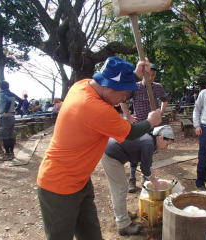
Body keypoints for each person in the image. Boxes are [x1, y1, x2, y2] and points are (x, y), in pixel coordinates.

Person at [36, 56, 162, 240]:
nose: (123, 100)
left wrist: (133, 75)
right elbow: (131, 133)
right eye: (124, 94)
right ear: (110, 86)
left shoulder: (83, 85)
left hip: (80, 180)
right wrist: (151, 121)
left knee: (91, 234)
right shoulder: (95, 108)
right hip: (58, 185)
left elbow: (113, 88)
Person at [101, 125, 175, 235]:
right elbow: (145, 169)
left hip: (112, 152)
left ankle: (121, 214)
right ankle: (123, 225)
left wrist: (151, 174)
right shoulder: (148, 143)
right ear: (160, 137)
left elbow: (146, 164)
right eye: (167, 143)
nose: (166, 147)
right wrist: (156, 183)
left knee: (120, 188)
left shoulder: (149, 141)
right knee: (120, 189)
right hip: (111, 155)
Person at [120, 63, 169, 193]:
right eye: (149, 73)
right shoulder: (135, 87)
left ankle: (145, 177)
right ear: (144, 73)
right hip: (138, 125)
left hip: (152, 126)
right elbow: (122, 100)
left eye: (153, 74)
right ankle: (132, 178)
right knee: (134, 152)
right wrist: (129, 117)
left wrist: (161, 112)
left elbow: (165, 99)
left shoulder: (158, 87)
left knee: (149, 152)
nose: (151, 76)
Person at [0, 81, 23, 161]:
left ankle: (7, 154)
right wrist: (16, 109)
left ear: (0, 87)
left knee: (5, 136)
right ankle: (11, 153)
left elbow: (8, 101)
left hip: (5, 117)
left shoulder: (2, 94)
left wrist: (5, 111)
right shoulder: (11, 93)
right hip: (12, 116)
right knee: (10, 135)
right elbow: (21, 101)